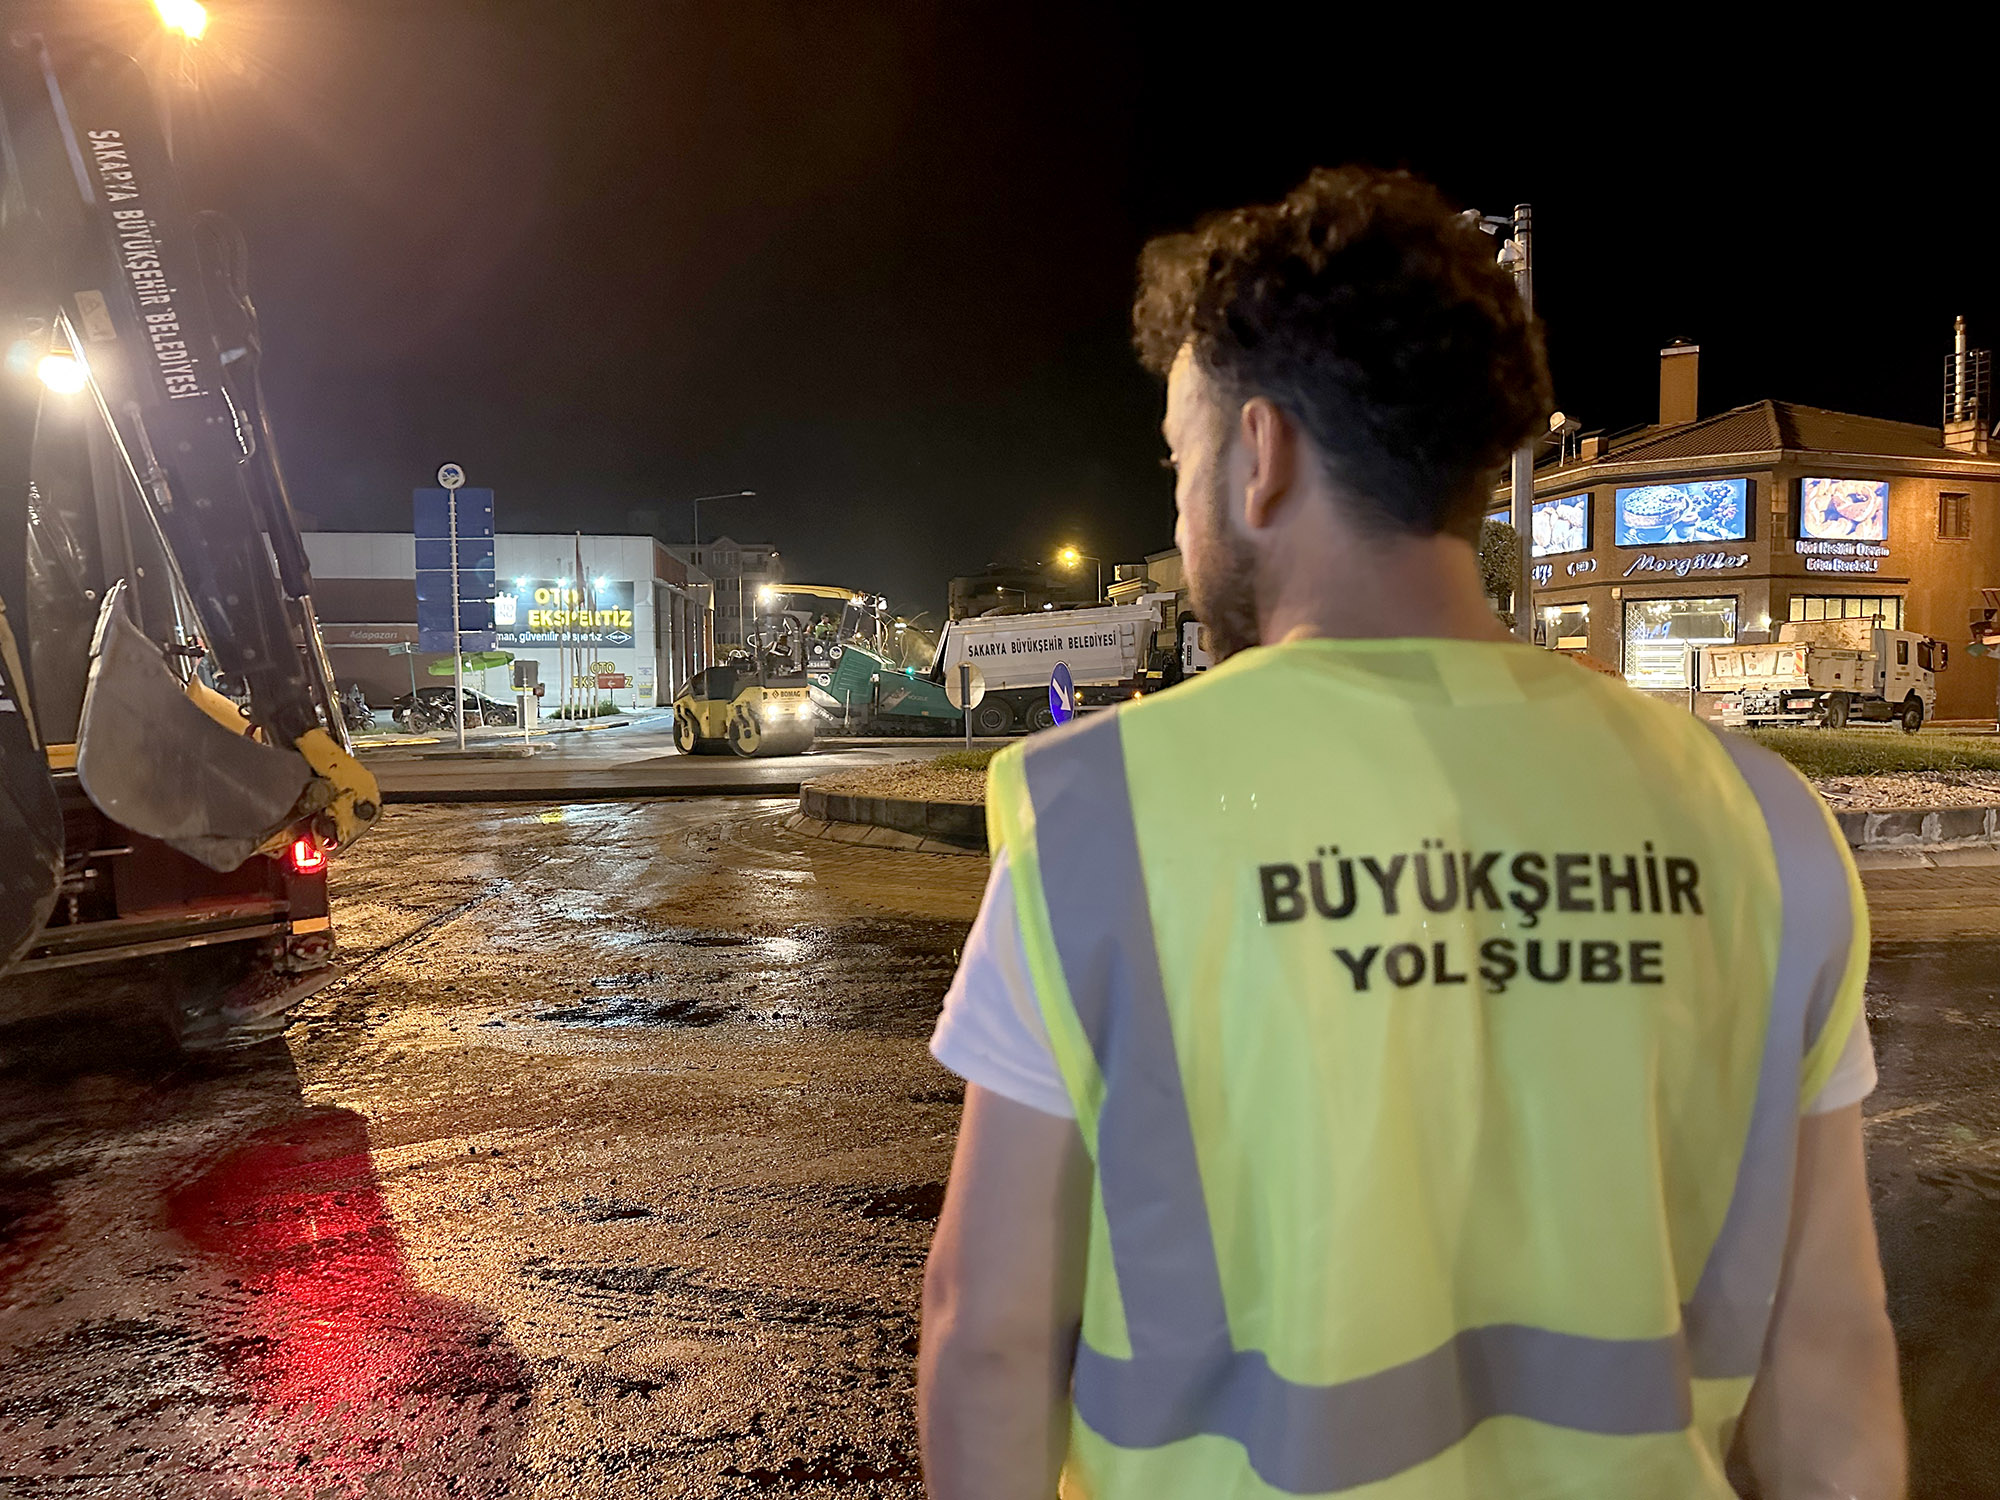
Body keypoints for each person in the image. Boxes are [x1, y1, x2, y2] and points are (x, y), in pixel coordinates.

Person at [917, 168, 1904, 1500]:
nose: (1176, 504)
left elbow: (984, 1341)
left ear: (1259, 457)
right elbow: (1831, 1357)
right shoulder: (1764, 827)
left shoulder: (1101, 818)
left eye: (1179, 456)